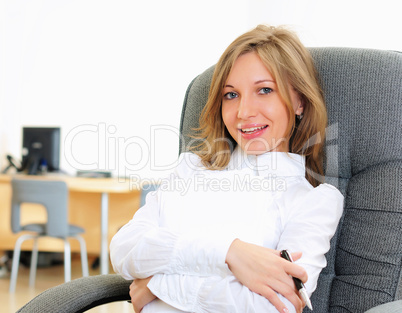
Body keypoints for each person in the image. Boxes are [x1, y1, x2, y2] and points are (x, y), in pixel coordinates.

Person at [110, 24, 344, 313]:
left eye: (264, 90)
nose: (244, 112)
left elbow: (275, 305)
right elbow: (124, 249)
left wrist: (156, 284)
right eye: (231, 95)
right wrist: (229, 253)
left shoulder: (313, 201)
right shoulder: (190, 169)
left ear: (299, 101)